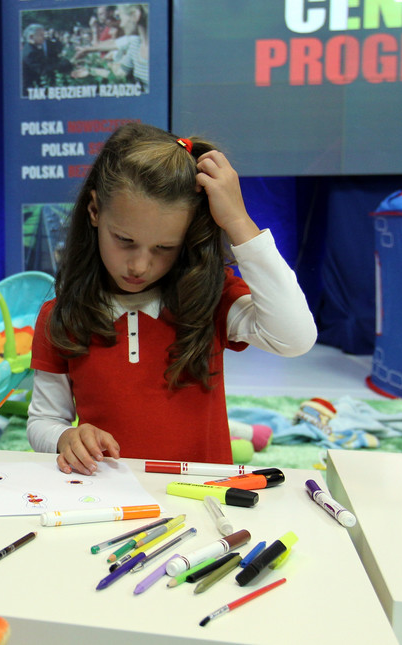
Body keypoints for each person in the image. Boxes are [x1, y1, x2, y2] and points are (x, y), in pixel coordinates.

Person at [27, 122, 317, 475]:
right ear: (94, 211)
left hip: (203, 500)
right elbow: (43, 421)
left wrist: (239, 222)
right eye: (124, 240)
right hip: (109, 501)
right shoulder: (61, 316)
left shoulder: (210, 296)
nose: (139, 265)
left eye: (164, 248)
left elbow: (295, 339)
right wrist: (65, 437)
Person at [73, 4, 149, 91]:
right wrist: (90, 71)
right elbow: (119, 74)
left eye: (120, 17)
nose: (121, 24)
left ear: (135, 15)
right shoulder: (135, 45)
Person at [21, 23, 72, 94]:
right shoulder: (30, 52)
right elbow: (44, 70)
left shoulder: (34, 49)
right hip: (31, 91)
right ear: (31, 37)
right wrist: (65, 64)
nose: (44, 37)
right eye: (41, 35)